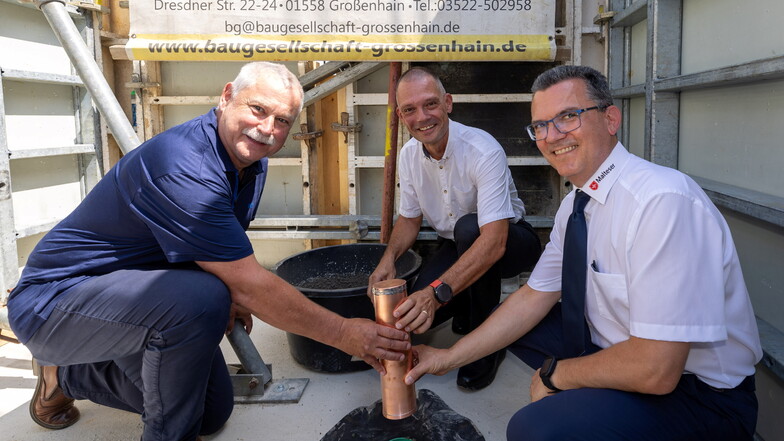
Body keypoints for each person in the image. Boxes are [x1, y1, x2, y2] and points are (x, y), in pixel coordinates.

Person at [7, 62, 410, 441]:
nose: (267, 129)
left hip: (134, 302)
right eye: (257, 109)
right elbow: (247, 284)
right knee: (203, 300)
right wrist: (344, 333)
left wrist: (234, 289)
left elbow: (223, 251)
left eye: (282, 120)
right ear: (226, 96)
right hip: (56, 304)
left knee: (212, 411)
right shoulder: (185, 167)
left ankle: (65, 377)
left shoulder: (248, 160)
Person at [404, 65, 762, 440]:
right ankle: (595, 390)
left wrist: (557, 375)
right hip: (618, 347)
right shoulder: (576, 204)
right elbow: (531, 297)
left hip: (701, 395)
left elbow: (657, 369)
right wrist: (448, 357)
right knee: (512, 323)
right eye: (540, 126)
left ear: (610, 119)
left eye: (568, 117)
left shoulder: (662, 202)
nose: (552, 135)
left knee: (533, 429)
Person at [368, 67, 542, 391]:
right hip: (457, 243)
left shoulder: (482, 149)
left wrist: (437, 294)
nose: (422, 117)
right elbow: (409, 219)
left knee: (468, 231)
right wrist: (388, 258)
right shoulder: (408, 156)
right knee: (415, 319)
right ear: (401, 116)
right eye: (410, 109)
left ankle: (487, 346)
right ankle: (467, 304)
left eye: (430, 104)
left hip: (511, 241)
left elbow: (494, 242)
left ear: (448, 103)